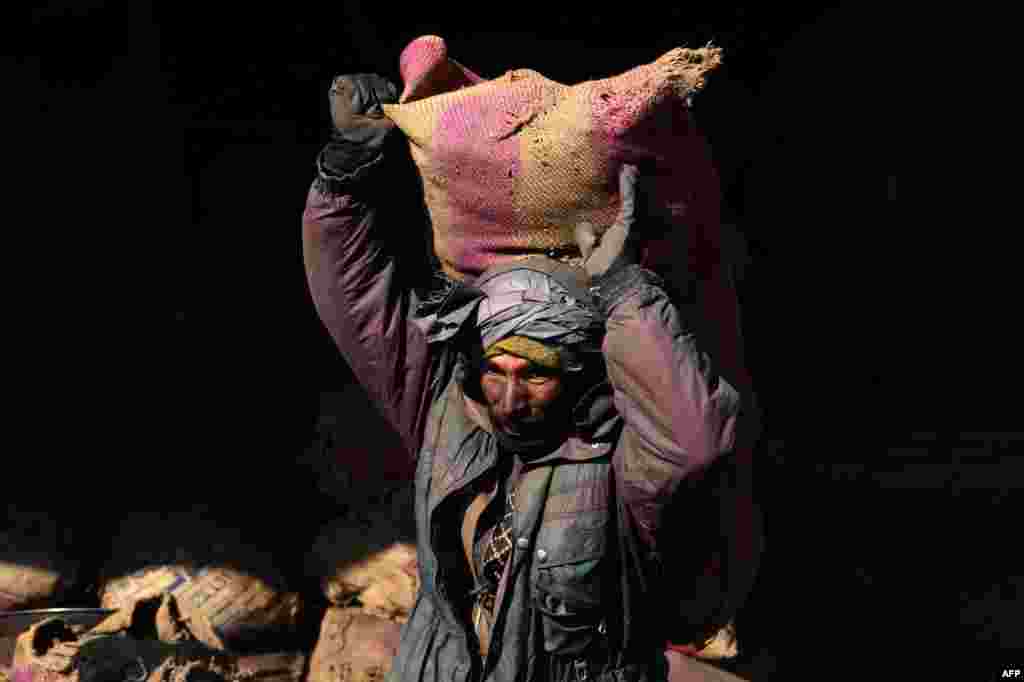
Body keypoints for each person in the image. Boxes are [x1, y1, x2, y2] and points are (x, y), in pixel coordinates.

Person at [302, 73, 748, 682]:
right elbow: (355, 297)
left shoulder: (622, 458)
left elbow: (697, 442)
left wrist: (624, 293)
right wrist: (346, 168)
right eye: (496, 371)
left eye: (535, 375)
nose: (510, 399)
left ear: (578, 373)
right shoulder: (444, 409)